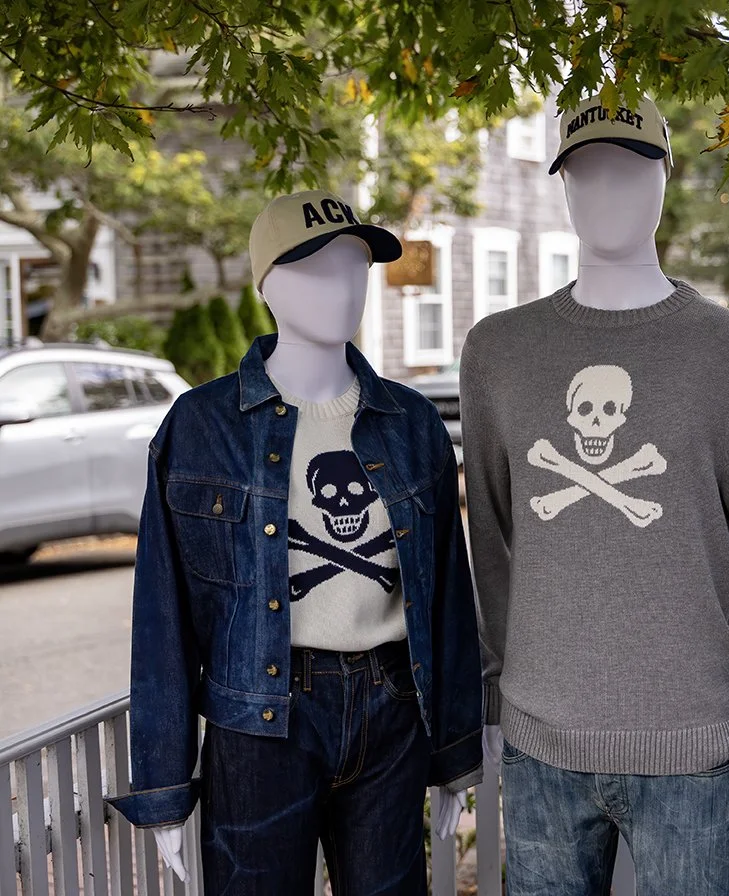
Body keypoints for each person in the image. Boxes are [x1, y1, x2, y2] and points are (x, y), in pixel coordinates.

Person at [459, 94, 729, 895]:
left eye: (628, 170)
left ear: (664, 180)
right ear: (563, 188)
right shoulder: (499, 352)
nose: (605, 193)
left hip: (690, 748)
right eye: (585, 174)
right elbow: (491, 546)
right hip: (540, 750)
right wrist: (497, 697)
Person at [109, 190, 485, 894]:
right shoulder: (202, 427)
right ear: (269, 284)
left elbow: (448, 601)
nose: (342, 287)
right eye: (315, 269)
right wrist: (163, 782)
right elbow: (161, 618)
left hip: (392, 709)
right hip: (259, 721)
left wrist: (456, 750)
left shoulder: (412, 424)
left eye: (354, 267)